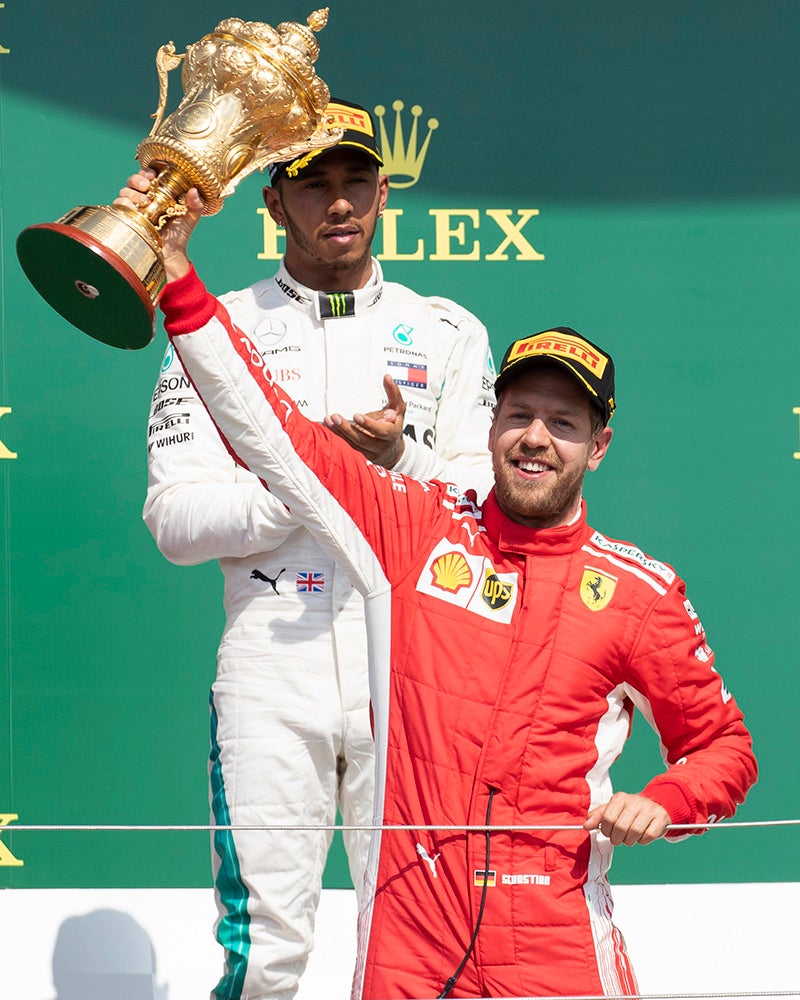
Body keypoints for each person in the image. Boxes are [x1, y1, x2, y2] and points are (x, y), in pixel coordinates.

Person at [154, 240, 757, 999]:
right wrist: (180, 285)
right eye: (520, 415)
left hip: (557, 948)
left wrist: (666, 802)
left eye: (563, 424)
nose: (535, 437)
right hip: (413, 961)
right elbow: (276, 433)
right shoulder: (416, 529)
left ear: (598, 447)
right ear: (492, 423)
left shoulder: (640, 590)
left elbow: (723, 747)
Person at [121, 98, 495, 1000]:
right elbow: (174, 521)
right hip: (268, 660)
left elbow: (482, 506)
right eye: (315, 184)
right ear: (275, 203)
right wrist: (302, 484)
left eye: (357, 182)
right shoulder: (217, 328)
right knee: (266, 949)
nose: (340, 203)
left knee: (413, 936)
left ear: (381, 195)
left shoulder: (446, 329)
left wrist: (395, 461)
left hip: (408, 668)